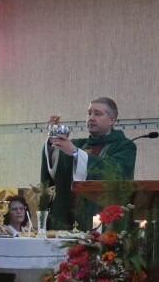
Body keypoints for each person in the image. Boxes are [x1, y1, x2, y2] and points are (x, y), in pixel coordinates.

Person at [41, 97, 136, 231]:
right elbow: (55, 170)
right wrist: (54, 141)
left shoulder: (125, 146)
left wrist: (76, 153)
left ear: (112, 120)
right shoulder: (78, 144)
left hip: (103, 223)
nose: (91, 118)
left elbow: (115, 172)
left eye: (98, 114)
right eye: (89, 113)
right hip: (69, 219)